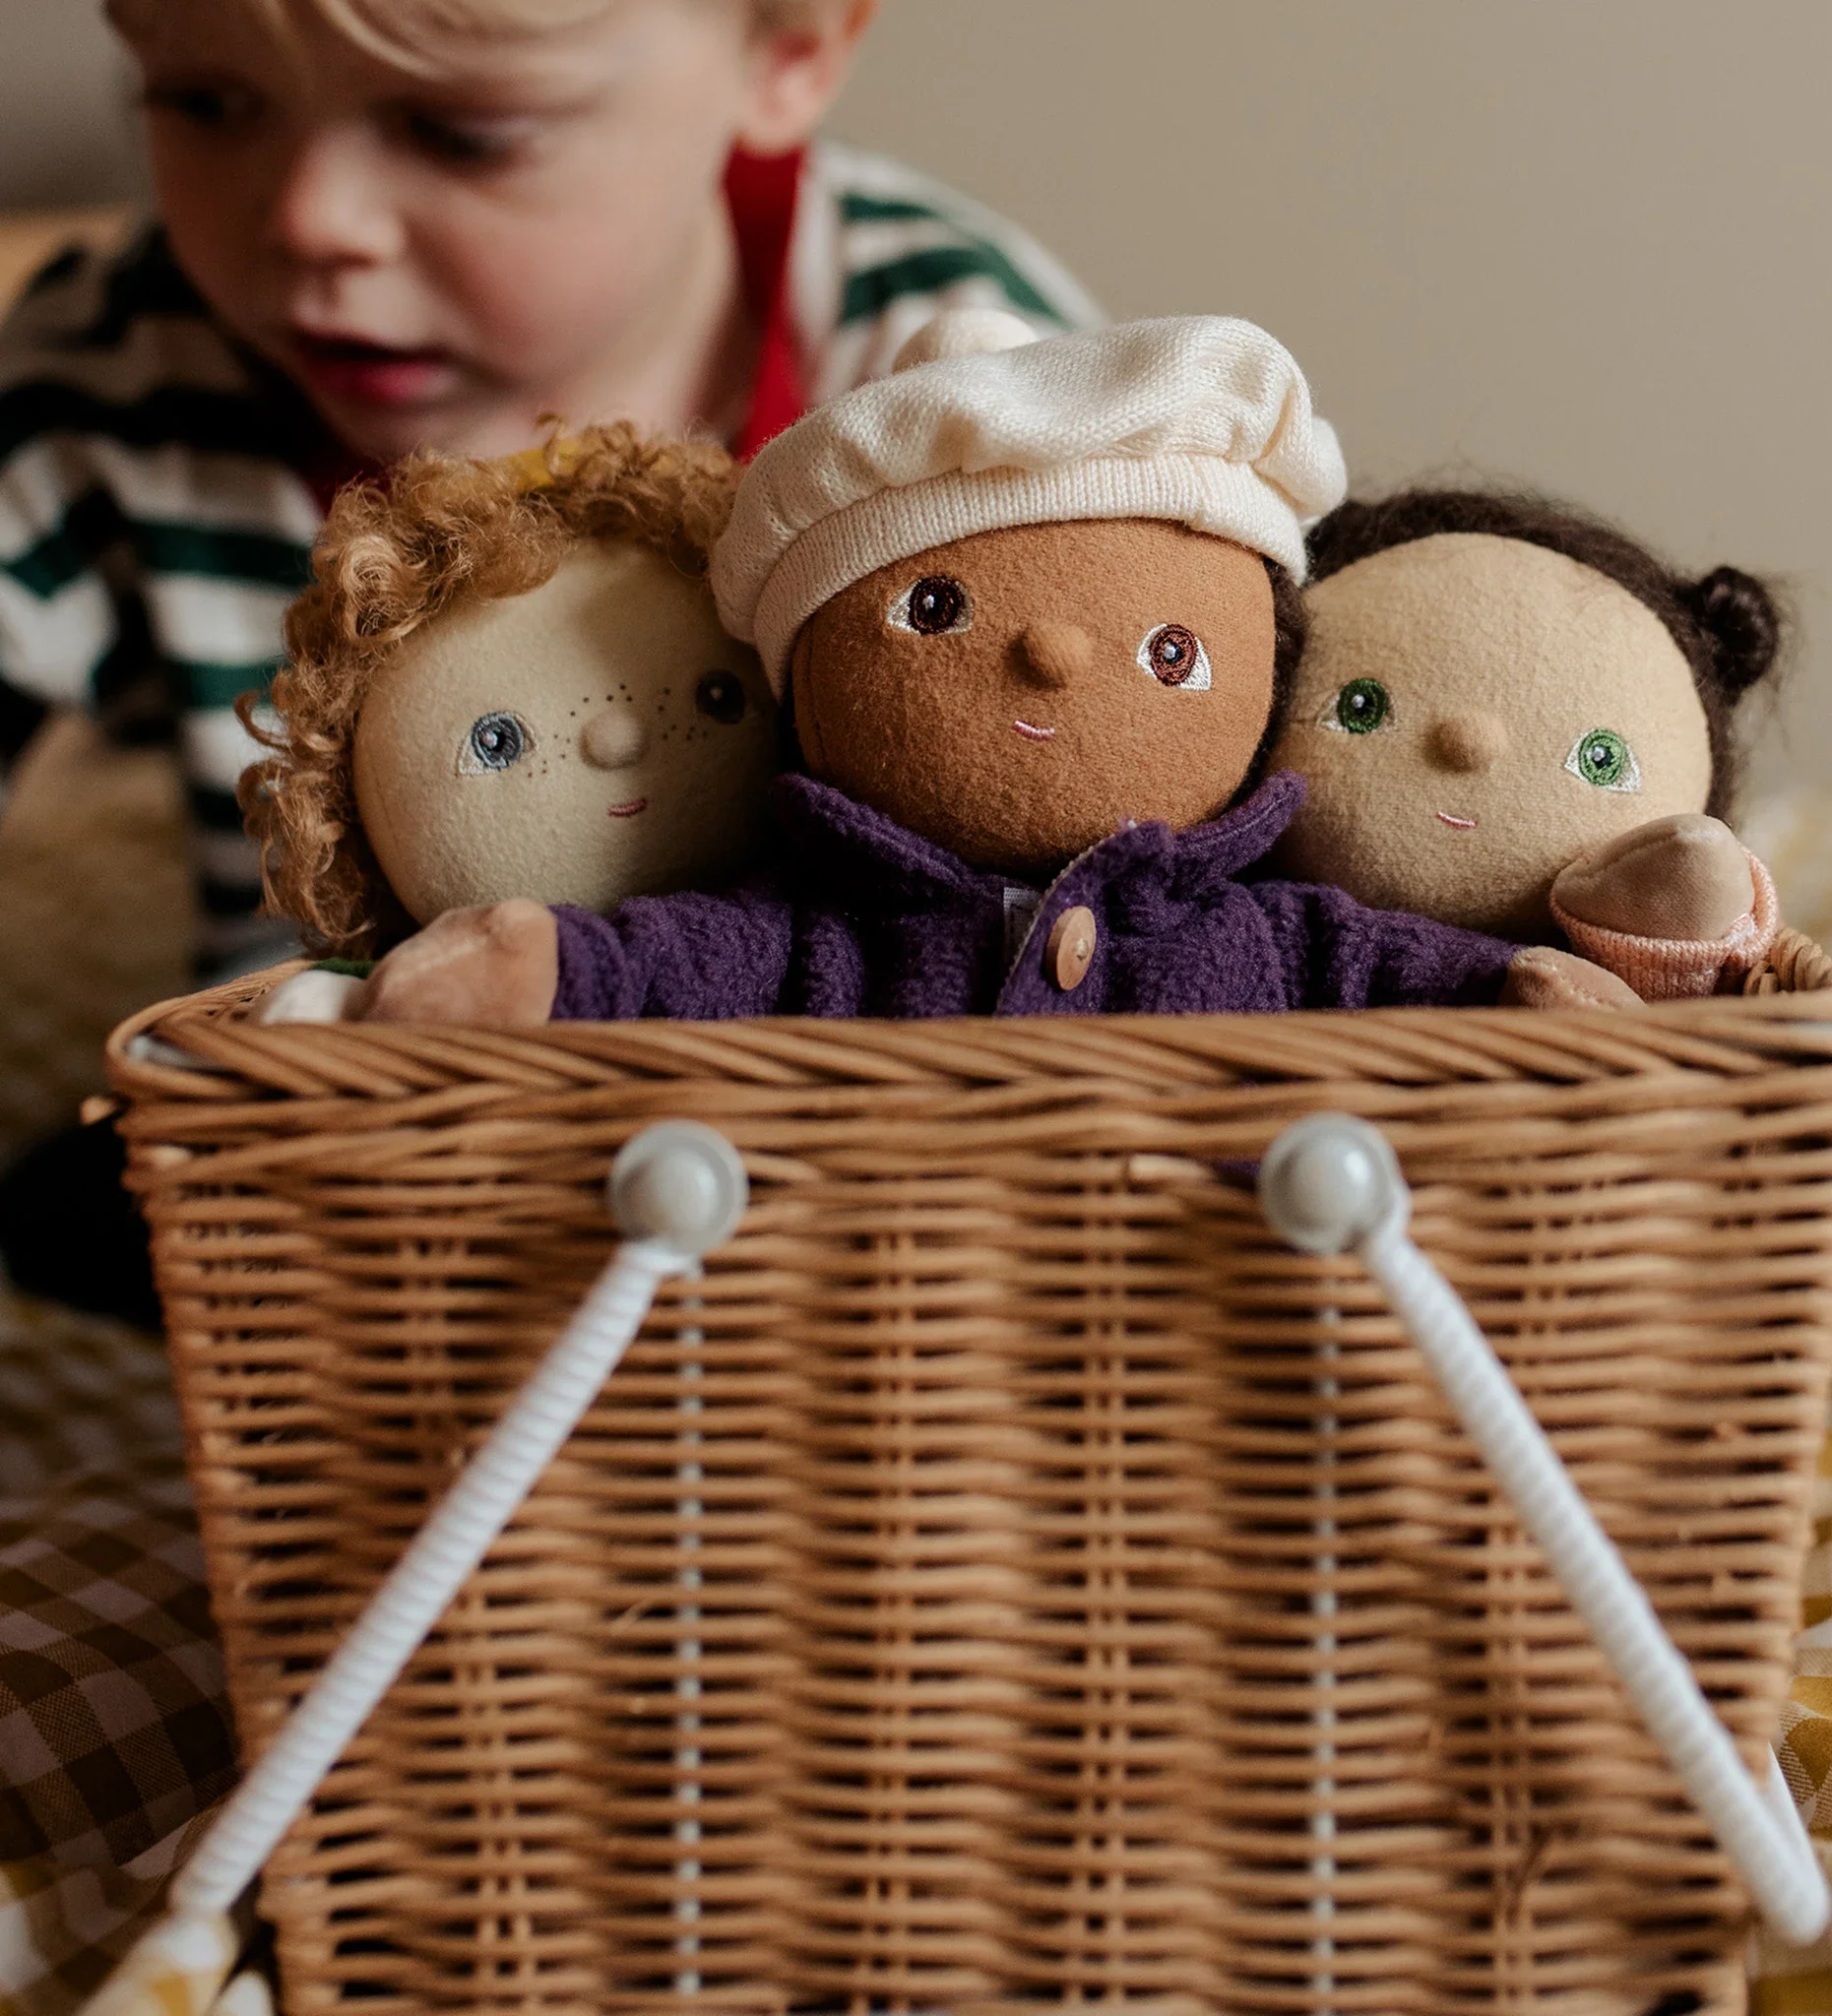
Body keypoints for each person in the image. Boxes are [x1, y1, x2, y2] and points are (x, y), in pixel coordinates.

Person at [0, 0, 1100, 1322]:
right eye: (207, 103)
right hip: (357, 1130)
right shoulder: (114, 379)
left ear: (788, 53)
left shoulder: (954, 375)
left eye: (463, 133)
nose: (313, 219)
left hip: (854, 1148)